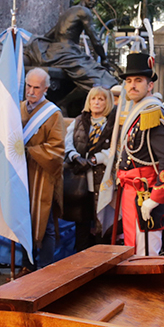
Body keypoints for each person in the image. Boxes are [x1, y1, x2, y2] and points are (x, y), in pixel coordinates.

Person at [115, 52, 164, 256]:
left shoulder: (152, 112)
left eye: (138, 81)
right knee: (130, 250)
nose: (132, 85)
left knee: (145, 254)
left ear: (150, 85)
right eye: (129, 80)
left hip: (145, 195)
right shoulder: (137, 111)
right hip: (130, 191)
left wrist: (157, 196)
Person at [20, 67, 66, 268]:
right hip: (20, 173)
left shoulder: (53, 114)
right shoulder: (18, 108)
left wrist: (30, 151)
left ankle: (45, 269)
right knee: (21, 219)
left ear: (46, 88)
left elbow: (57, 149)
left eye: (36, 88)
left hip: (42, 174)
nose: (31, 91)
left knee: (44, 222)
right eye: (28, 86)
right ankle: (26, 265)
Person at [63, 86, 116, 252]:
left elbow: (116, 147)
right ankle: (80, 262)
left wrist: (95, 159)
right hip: (80, 181)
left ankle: (101, 261)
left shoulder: (112, 123)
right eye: (93, 99)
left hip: (102, 179)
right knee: (82, 224)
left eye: (101, 99)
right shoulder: (79, 121)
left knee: (101, 223)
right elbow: (68, 141)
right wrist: (75, 156)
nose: (97, 102)